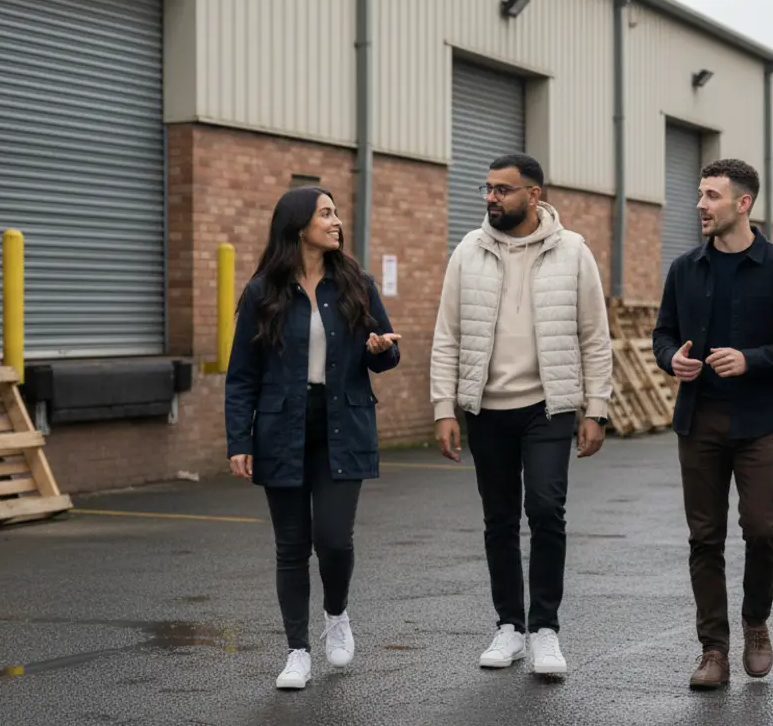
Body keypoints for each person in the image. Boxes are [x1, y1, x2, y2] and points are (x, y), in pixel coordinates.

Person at [430, 152, 613, 676]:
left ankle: (546, 630)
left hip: (548, 405)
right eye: (488, 188)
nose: (491, 197)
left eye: (503, 190)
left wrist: (595, 408)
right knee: (499, 518)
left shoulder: (572, 251)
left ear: (534, 196)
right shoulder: (468, 250)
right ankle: (509, 626)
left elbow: (593, 336)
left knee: (546, 509)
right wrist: (445, 407)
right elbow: (448, 336)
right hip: (485, 408)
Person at [224, 186, 402, 691]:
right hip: (282, 427)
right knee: (291, 546)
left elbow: (386, 354)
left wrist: (379, 348)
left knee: (334, 540)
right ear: (298, 225)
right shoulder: (264, 291)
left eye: (336, 213)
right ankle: (297, 651)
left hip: (342, 424)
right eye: (325, 214)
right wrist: (239, 440)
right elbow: (241, 376)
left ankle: (337, 614)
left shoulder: (356, 283)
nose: (336, 221)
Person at [651, 159, 773, 689]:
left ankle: (756, 624)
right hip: (699, 419)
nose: (700, 205)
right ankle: (713, 650)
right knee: (705, 537)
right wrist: (670, 360)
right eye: (700, 194)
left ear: (742, 203)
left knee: (763, 530)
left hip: (760, 420)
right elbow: (663, 333)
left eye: (711, 196)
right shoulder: (685, 268)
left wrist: (752, 359)